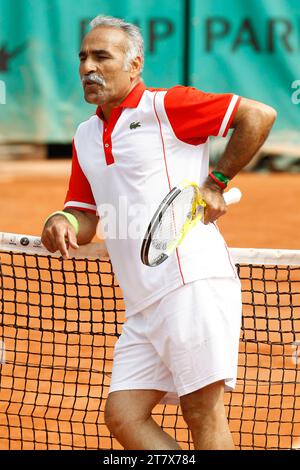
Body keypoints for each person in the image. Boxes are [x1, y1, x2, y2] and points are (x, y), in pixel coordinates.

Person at [41, 16, 276, 450]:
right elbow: (85, 213)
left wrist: (217, 181)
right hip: (141, 303)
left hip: (190, 284)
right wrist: (63, 221)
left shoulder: (167, 106)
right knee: (124, 416)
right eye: (83, 57)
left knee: (202, 413)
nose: (87, 68)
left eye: (101, 57)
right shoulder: (85, 135)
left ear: (134, 65)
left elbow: (258, 115)